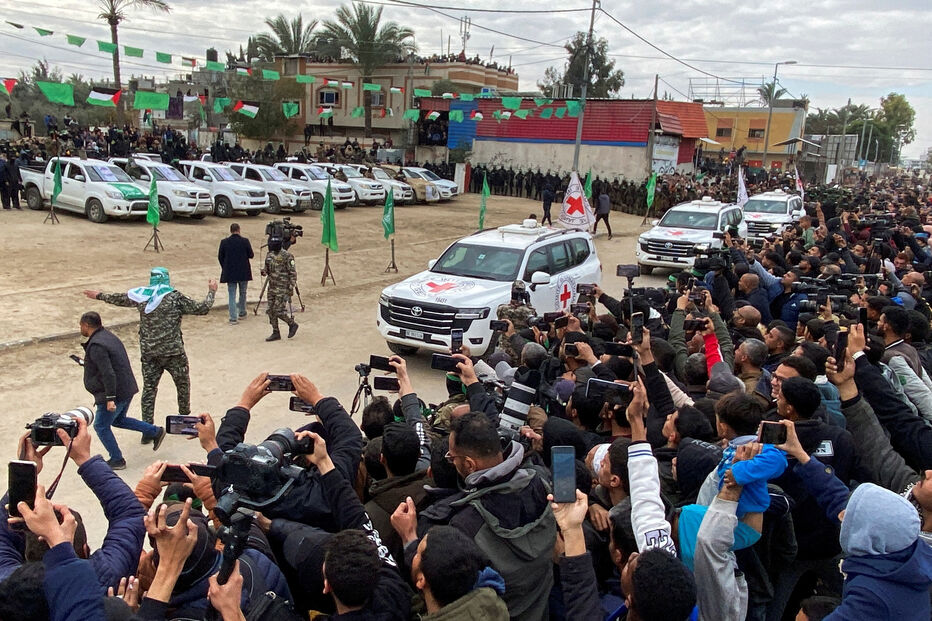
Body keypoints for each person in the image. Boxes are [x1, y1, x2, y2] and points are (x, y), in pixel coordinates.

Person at [83, 268, 217, 426]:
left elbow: (119, 298)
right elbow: (202, 309)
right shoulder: (176, 297)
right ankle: (183, 420)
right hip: (173, 353)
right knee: (182, 385)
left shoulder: (142, 296)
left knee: (149, 390)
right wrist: (211, 292)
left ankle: (147, 428)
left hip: (150, 354)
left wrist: (99, 295)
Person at [79, 311, 164, 469]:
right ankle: (154, 431)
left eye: (81, 325)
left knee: (101, 426)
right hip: (126, 388)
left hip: (113, 393)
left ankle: (117, 459)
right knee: (118, 420)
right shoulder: (107, 336)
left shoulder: (97, 345)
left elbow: (108, 373)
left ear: (86, 325)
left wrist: (110, 398)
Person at [261, 235, 298, 341]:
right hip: (272, 287)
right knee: (270, 310)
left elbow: (293, 273)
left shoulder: (288, 256)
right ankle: (275, 332)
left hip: (283, 288)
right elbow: (267, 269)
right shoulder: (269, 255)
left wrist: (290, 287)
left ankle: (292, 324)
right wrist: (264, 272)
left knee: (279, 310)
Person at [217, 223, 254, 325]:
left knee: (232, 295)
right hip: (243, 271)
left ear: (231, 230)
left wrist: (225, 267)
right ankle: (242, 312)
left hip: (230, 272)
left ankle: (233, 318)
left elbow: (220, 257)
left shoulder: (224, 242)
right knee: (243, 293)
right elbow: (251, 255)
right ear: (239, 230)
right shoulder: (245, 241)